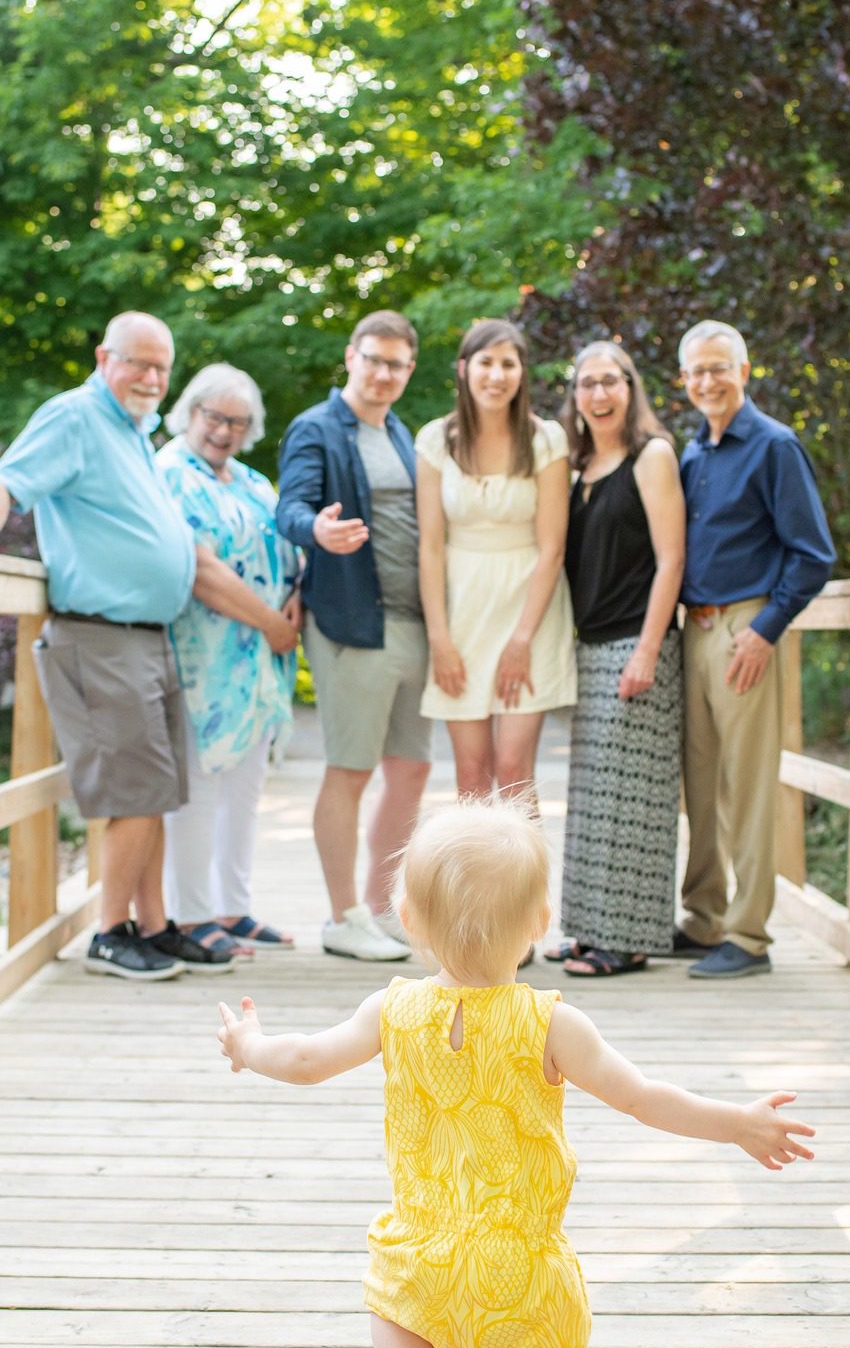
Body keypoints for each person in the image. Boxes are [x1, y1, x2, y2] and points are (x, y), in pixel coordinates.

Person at [216, 797, 817, 1348]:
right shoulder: (548, 1023)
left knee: (387, 1303)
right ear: (538, 921)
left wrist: (247, 1044)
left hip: (424, 1252)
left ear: (405, 918)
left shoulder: (392, 1010)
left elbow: (302, 1060)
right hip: (520, 1269)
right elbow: (643, 1098)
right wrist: (736, 1124)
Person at [0, 311, 228, 983]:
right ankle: (110, 934)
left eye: (161, 367)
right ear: (103, 355)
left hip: (145, 635)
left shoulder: (133, 430)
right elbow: (3, 483)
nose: (151, 378)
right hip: (100, 636)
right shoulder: (75, 416)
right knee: (133, 792)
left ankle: (155, 927)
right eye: (138, 362)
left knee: (156, 791)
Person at [675, 320, 836, 979]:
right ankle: (703, 916)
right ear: (683, 381)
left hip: (745, 630)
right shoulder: (692, 454)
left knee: (746, 785)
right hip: (695, 628)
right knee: (701, 783)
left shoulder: (774, 447)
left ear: (744, 372)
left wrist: (765, 630)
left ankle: (746, 935)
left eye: (719, 367)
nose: (708, 381)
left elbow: (812, 555)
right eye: (696, 371)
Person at [276, 311, 429, 963]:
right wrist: (320, 532)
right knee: (350, 771)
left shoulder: (402, 432)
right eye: (373, 359)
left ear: (409, 369)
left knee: (413, 770)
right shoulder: (315, 428)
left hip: (412, 624)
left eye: (396, 363)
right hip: (350, 626)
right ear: (350, 357)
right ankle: (342, 917)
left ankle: (379, 907)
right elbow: (289, 508)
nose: (383, 373)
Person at [157, 364, 301, 962]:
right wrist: (271, 623)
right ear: (190, 412)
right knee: (199, 788)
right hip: (203, 656)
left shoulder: (252, 482)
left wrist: (294, 600)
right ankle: (190, 916)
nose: (224, 430)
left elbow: (288, 555)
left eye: (237, 422)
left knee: (245, 788)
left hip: (258, 666)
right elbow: (199, 567)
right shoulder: (167, 474)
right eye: (213, 417)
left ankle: (231, 906)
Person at [553, 341, 685, 977]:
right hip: (591, 644)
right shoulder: (576, 465)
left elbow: (671, 559)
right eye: (586, 384)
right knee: (595, 797)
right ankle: (587, 930)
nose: (598, 395)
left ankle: (628, 940)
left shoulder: (651, 456)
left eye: (610, 382)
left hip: (637, 644)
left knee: (634, 800)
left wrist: (649, 650)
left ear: (631, 388)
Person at [416, 319, 577, 802]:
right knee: (471, 774)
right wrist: (439, 638)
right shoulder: (434, 440)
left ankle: (526, 882)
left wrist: (521, 639)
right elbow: (429, 546)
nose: (497, 374)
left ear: (522, 373)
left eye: (508, 363)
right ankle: (474, 882)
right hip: (460, 611)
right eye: (486, 362)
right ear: (464, 369)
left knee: (512, 770)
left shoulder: (546, 439)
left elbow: (553, 547)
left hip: (530, 608)